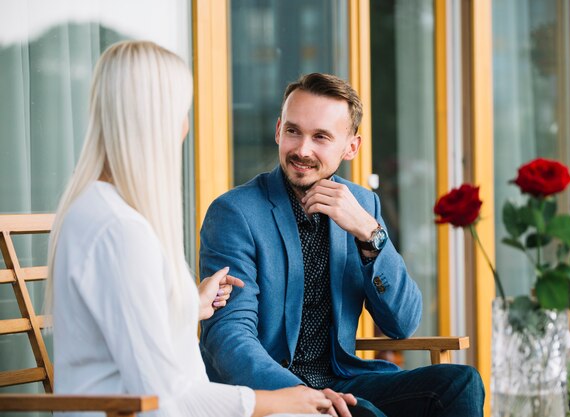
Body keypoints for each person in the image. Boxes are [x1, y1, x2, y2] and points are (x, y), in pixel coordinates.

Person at [48, 41, 341, 417]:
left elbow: (121, 336)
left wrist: (188, 306)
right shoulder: (121, 231)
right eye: (181, 112)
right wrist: (288, 399)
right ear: (155, 120)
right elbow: (167, 398)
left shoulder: (95, 208)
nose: (186, 126)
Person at [199, 73, 485, 417]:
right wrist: (301, 396)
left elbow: (403, 322)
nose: (302, 149)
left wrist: (369, 231)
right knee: (364, 413)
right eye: (293, 131)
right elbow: (229, 337)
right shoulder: (235, 213)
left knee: (461, 383)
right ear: (278, 130)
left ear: (351, 147)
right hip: (271, 390)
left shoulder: (363, 205)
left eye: (320, 136)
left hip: (342, 377)